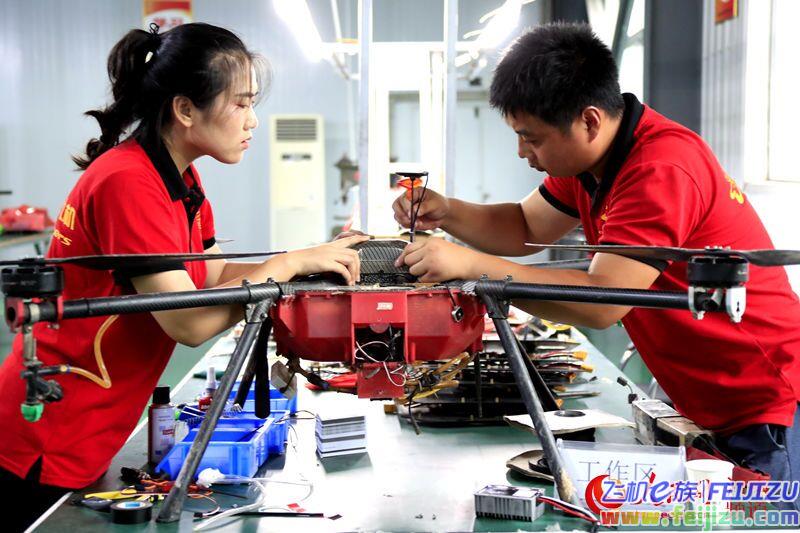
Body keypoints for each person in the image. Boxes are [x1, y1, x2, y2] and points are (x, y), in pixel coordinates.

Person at [393, 22, 800, 507]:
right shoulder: (594, 160)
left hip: (766, 404)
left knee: (765, 519)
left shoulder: (659, 167)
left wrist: (471, 267)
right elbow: (525, 224)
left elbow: (603, 301)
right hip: (711, 397)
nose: (523, 152)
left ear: (588, 121)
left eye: (531, 138)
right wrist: (448, 212)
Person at [0, 23, 367, 531]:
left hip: (93, 421)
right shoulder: (128, 181)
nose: (252, 120)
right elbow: (188, 323)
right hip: (51, 430)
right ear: (185, 109)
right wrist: (285, 267)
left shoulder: (180, 177)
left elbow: (211, 274)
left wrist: (309, 262)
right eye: (240, 104)